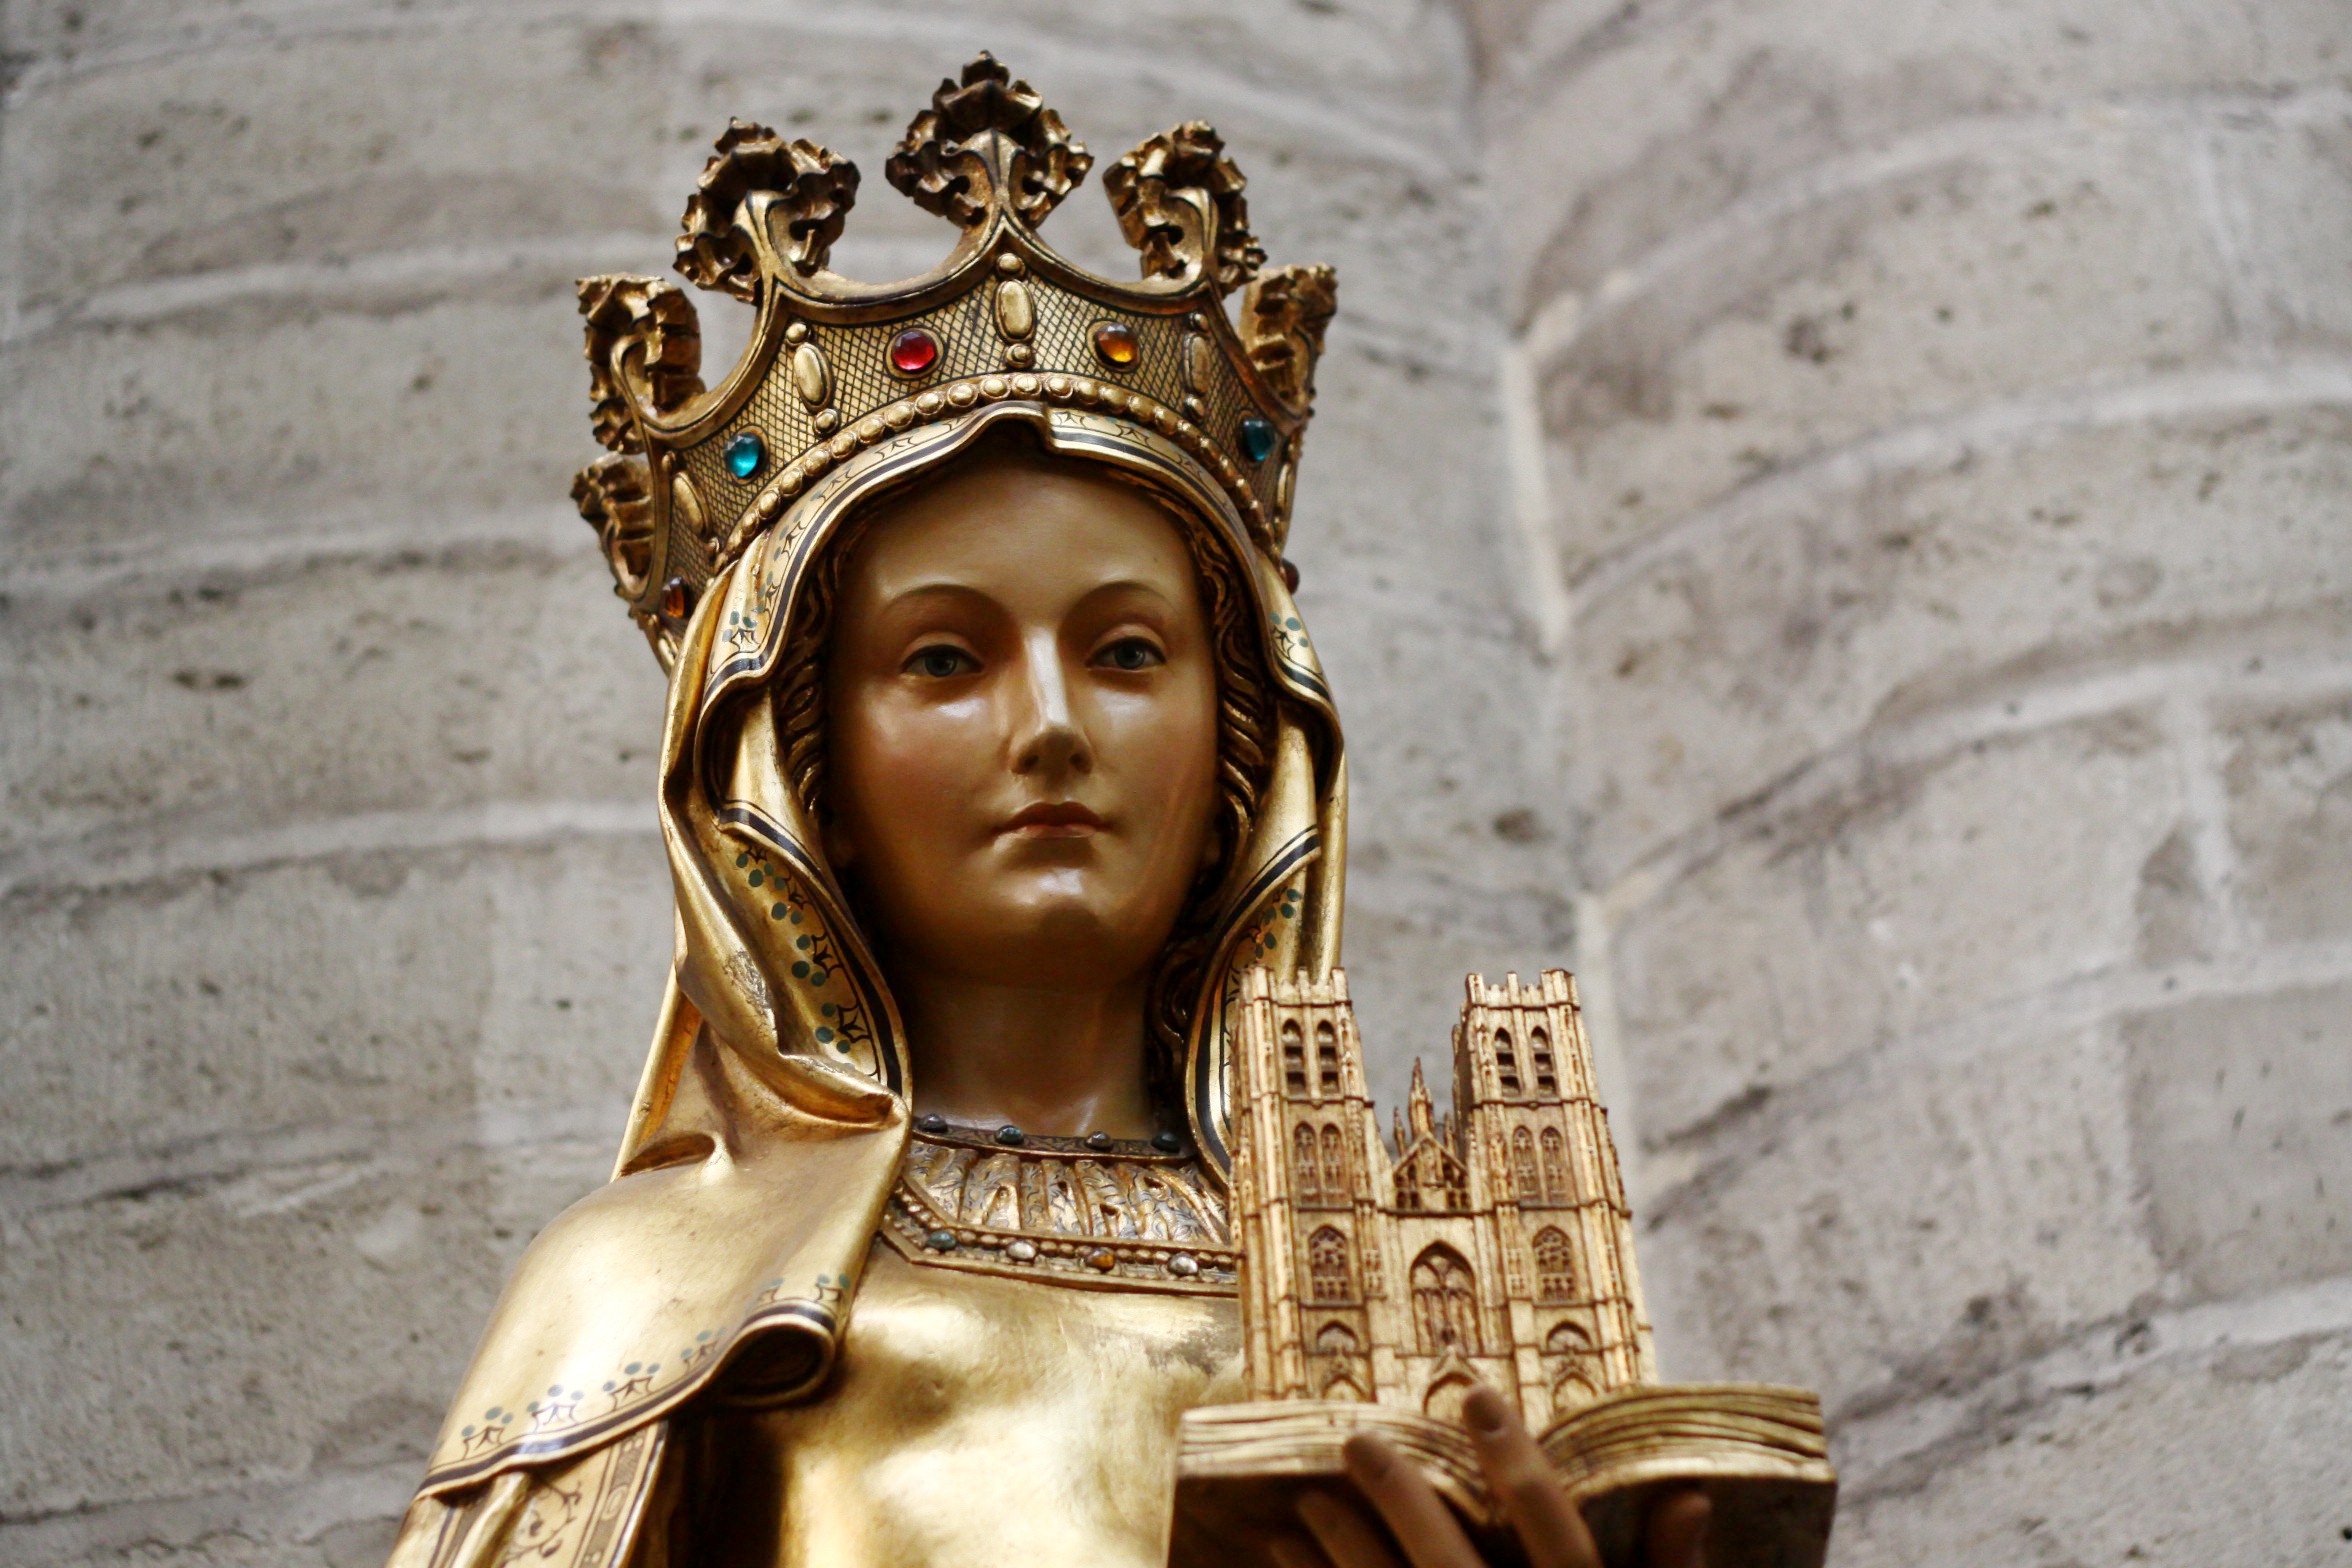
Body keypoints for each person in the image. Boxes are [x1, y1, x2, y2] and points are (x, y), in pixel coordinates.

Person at [384, 57, 1709, 1568]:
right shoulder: (658, 1290)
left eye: (1127, 652)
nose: (1057, 724)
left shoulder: (1440, 1316)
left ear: (1243, 743)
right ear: (805, 773)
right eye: (944, 660)